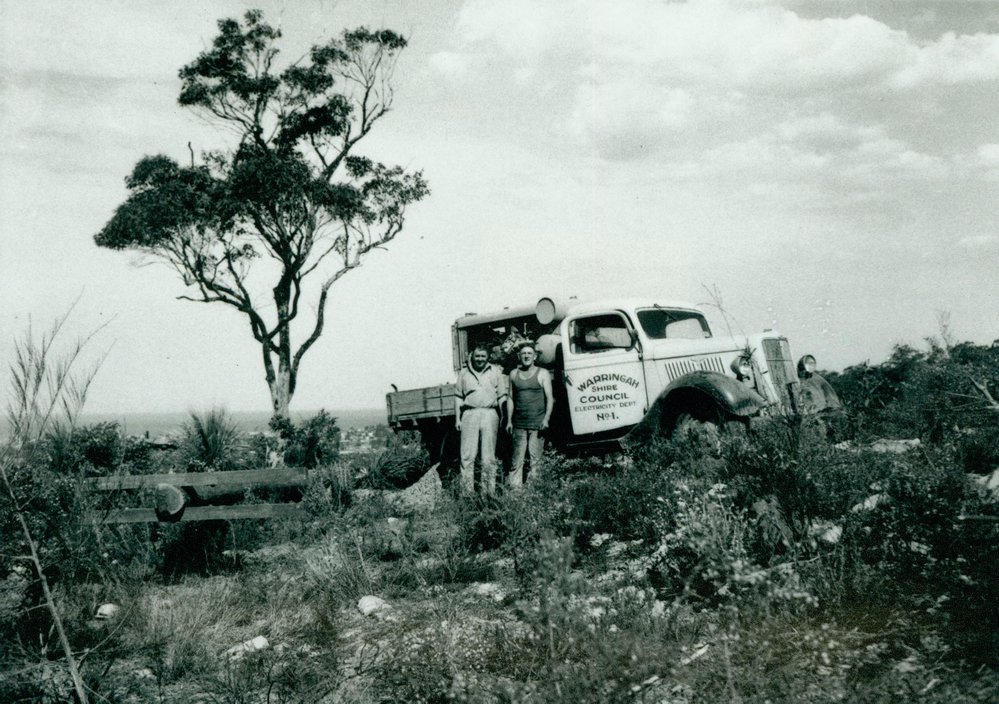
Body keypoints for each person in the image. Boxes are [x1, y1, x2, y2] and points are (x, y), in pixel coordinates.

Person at [455, 344, 507, 496]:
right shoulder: (464, 373)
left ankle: (488, 493)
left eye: (483, 356)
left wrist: (504, 416)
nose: (480, 359)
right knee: (467, 455)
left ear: (487, 357)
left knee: (488, 456)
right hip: (469, 414)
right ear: (472, 356)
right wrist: (457, 419)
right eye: (477, 356)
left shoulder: (495, 371)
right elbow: (458, 397)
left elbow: (502, 395)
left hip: (490, 414)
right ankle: (467, 494)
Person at [505, 342, 554, 488]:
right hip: (519, 424)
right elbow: (510, 398)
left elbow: (550, 398)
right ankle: (516, 493)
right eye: (523, 354)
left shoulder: (543, 373)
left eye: (529, 354)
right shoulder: (513, 374)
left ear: (535, 357)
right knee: (516, 461)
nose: (526, 356)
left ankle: (536, 492)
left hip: (537, 424)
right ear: (519, 356)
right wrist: (509, 421)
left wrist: (546, 419)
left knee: (535, 460)